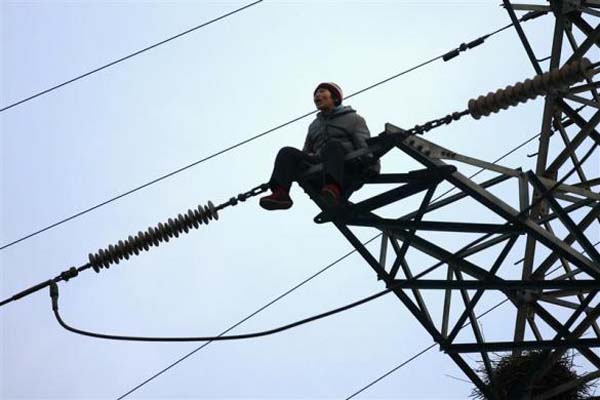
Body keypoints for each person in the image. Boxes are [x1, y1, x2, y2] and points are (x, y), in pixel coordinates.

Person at [259, 82, 379, 211]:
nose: (317, 95)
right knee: (286, 152)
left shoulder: (353, 118)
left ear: (335, 98)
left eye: (322, 91)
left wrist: (373, 166)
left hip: (347, 167)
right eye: (316, 94)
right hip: (320, 167)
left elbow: (363, 143)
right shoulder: (314, 126)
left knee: (332, 146)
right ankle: (281, 193)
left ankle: (333, 187)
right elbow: (306, 151)